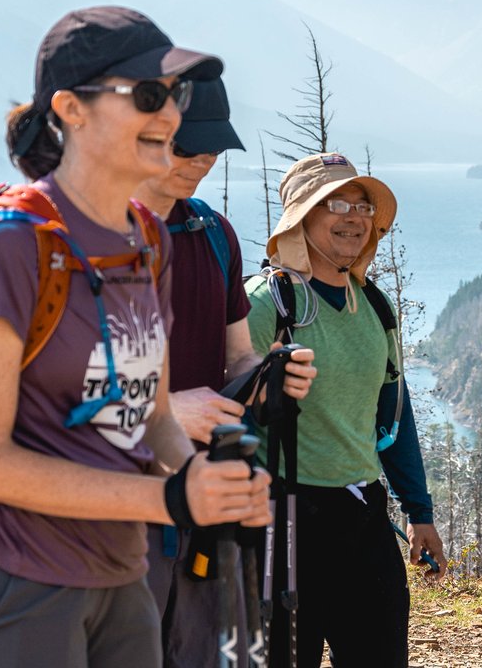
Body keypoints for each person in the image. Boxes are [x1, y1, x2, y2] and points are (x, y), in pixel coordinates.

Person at [0, 6, 272, 668]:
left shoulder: (145, 242)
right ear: (71, 109)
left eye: (177, 94)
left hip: (120, 578)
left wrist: (204, 480)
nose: (170, 114)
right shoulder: (9, 245)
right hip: (12, 587)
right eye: (148, 95)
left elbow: (150, 412)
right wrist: (167, 498)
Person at [133, 77, 316, 668]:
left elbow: (237, 354)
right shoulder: (85, 239)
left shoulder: (212, 234)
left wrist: (270, 376)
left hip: (204, 496)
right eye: (190, 147)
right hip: (115, 499)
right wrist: (162, 410)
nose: (204, 162)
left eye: (214, 150)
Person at [246, 152, 447, 668]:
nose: (355, 217)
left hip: (363, 514)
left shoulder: (373, 305)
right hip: (283, 517)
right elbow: (224, 410)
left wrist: (418, 512)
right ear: (300, 216)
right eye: (335, 203)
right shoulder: (268, 305)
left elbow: (393, 416)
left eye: (363, 206)